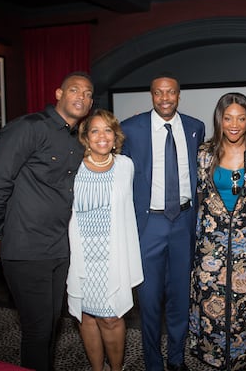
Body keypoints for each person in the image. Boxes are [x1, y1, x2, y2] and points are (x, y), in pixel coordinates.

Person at [0, 72, 94, 371]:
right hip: (27, 247)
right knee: (37, 329)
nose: (82, 96)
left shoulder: (76, 138)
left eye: (88, 93)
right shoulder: (29, 127)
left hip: (60, 246)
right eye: (74, 90)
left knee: (51, 324)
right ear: (58, 93)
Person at [120, 73, 205, 371]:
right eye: (159, 93)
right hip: (149, 225)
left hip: (183, 221)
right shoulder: (130, 129)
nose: (165, 98)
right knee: (150, 300)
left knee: (181, 297)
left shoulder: (196, 128)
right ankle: (153, 364)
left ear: (179, 95)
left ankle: (177, 359)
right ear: (152, 96)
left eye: (170, 92)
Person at [189, 92, 246, 370]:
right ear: (219, 120)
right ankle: (211, 355)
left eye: (241, 118)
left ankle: (242, 356)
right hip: (210, 246)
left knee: (243, 305)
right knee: (211, 302)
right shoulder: (204, 153)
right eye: (228, 118)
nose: (234, 124)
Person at [66, 109, 144, 371]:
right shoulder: (72, 166)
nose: (102, 136)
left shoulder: (125, 166)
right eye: (95, 130)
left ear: (115, 135)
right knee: (85, 316)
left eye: (108, 130)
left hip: (113, 254)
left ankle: (116, 368)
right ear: (86, 137)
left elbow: (127, 213)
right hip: (79, 255)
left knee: (111, 317)